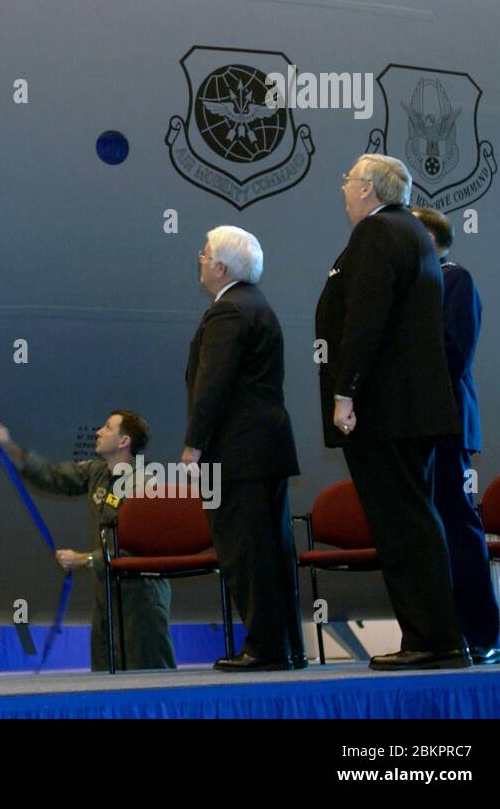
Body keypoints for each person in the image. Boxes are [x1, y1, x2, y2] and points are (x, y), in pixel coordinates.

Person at [316, 154, 467, 670]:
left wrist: (345, 391)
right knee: (416, 521)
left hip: (385, 410)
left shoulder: (377, 234)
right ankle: (438, 637)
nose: (343, 189)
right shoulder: (413, 233)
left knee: (403, 527)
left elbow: (365, 319)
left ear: (369, 190)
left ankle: (431, 641)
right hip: (412, 410)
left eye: (348, 180)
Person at [186, 226, 304, 671]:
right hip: (267, 447)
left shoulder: (227, 312)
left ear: (221, 267)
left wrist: (194, 445)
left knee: (245, 552)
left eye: (204, 254)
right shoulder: (256, 305)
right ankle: (286, 646)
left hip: (237, 451)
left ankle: (264, 648)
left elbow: (211, 386)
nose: (199, 260)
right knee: (272, 549)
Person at [0, 413, 176, 672]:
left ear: (124, 442)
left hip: (141, 596)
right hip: (106, 593)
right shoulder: (96, 472)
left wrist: (85, 559)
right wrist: (9, 446)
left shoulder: (145, 484)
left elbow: (140, 548)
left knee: (148, 673)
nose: (99, 431)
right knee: (105, 672)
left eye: (108, 427)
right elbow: (52, 476)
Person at [410, 206, 500, 665]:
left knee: (460, 530)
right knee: (431, 536)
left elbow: (454, 354)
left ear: (428, 238)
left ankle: (482, 634)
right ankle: (443, 634)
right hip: (417, 429)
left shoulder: (456, 280)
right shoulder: (416, 287)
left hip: (445, 426)